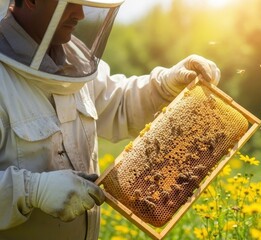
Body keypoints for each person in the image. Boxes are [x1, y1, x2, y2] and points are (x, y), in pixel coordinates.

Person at [0, 0, 220, 239]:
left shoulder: (74, 59)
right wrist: (32, 191)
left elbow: (118, 103)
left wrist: (164, 86)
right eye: (72, 3)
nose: (81, 14)